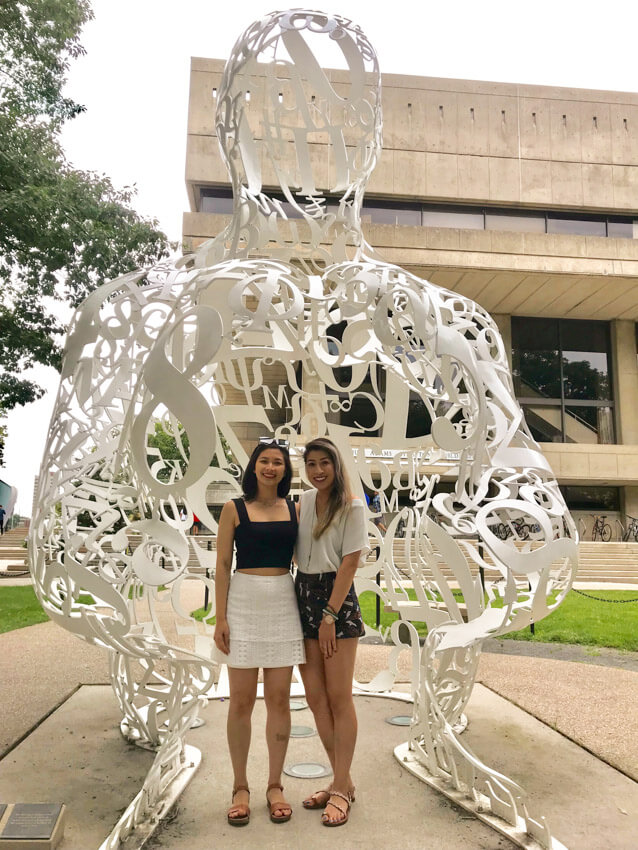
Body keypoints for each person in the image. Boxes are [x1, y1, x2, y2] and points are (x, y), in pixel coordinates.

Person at [213, 439, 305, 827]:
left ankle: (274, 785)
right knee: (241, 703)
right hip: (244, 604)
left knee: (280, 701)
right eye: (264, 461)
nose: (271, 468)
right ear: (253, 467)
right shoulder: (233, 509)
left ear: (285, 470)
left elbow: (309, 556)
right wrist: (220, 618)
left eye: (278, 462)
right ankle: (240, 787)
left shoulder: (297, 508)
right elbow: (220, 564)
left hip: (283, 603)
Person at [294, 437, 369, 827]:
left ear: (336, 466)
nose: (318, 470)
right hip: (302, 595)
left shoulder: (352, 506)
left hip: (333, 602)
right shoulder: (304, 501)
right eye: (311, 464)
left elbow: (351, 563)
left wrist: (329, 616)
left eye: (325, 463)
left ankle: (339, 788)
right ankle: (342, 780)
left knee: (339, 698)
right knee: (315, 698)